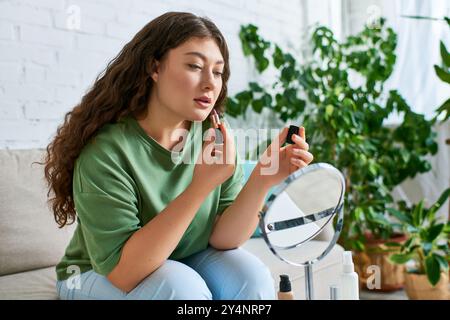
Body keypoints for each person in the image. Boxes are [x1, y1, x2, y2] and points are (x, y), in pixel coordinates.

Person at [43, 12, 313, 300]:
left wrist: (262, 178)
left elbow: (224, 239)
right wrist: (200, 186)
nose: (210, 83)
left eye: (218, 71)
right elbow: (124, 272)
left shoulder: (213, 135)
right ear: (154, 67)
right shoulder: (107, 152)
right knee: (182, 289)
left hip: (181, 257)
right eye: (195, 66)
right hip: (95, 273)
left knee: (251, 276)